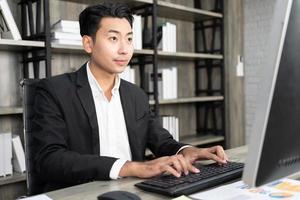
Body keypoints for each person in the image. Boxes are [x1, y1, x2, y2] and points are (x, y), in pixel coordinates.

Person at [32, 2, 228, 192]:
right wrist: (132, 167)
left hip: (133, 192)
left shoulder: (136, 95)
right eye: (113, 39)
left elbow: (161, 142)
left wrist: (186, 150)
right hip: (80, 193)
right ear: (88, 43)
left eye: (129, 39)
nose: (124, 50)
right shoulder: (54, 90)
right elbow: (50, 159)